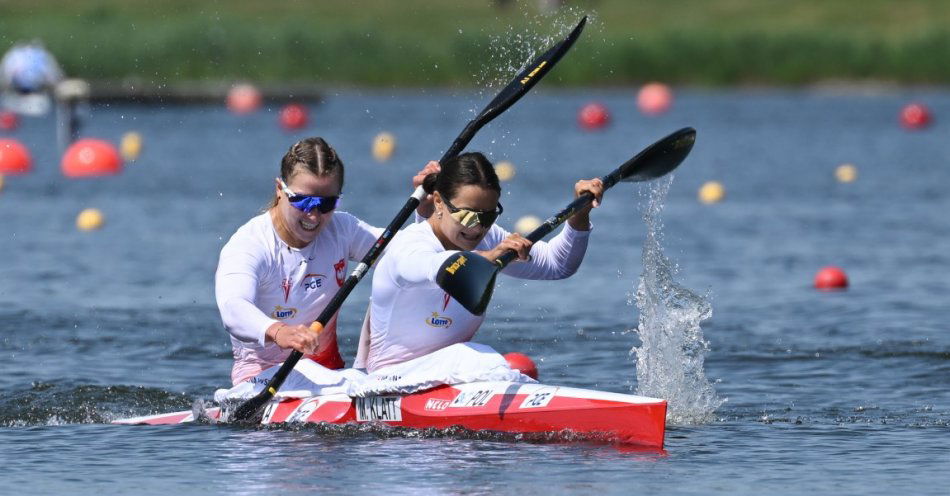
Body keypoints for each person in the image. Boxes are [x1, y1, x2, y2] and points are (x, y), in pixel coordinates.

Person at [366, 151, 604, 372]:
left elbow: (558, 265)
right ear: (438, 201)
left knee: (516, 368)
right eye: (467, 215)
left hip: (447, 376)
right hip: (387, 381)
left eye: (488, 216)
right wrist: (491, 256)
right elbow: (438, 266)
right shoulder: (410, 246)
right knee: (489, 361)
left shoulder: (487, 238)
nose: (477, 227)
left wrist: (579, 215)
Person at [216, 137, 396, 386]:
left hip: (330, 376)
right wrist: (280, 332)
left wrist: (429, 217)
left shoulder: (343, 229)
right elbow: (233, 307)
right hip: (263, 380)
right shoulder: (250, 244)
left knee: (396, 279)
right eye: (303, 201)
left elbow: (405, 256)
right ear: (280, 189)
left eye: (326, 203)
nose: (314, 215)